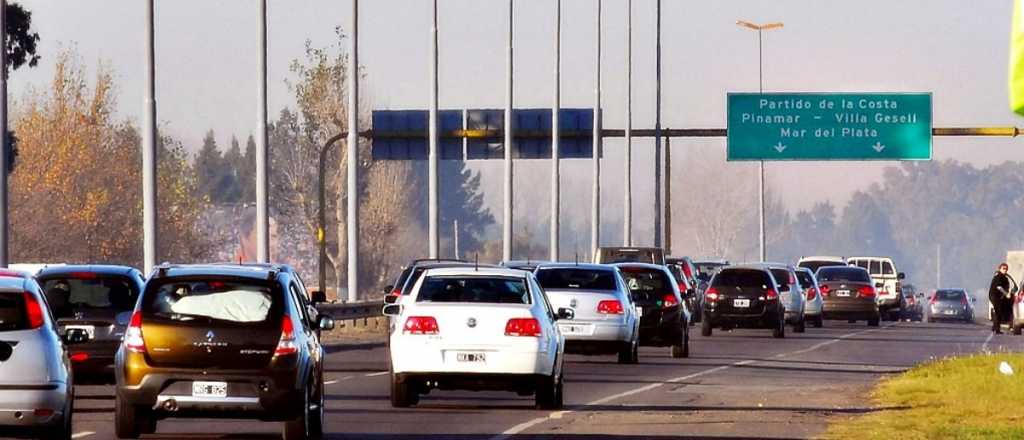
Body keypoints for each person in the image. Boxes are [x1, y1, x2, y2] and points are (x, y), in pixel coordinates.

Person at [988, 263, 1016, 333]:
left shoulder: (1004, 277)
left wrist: (1009, 292)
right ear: (999, 269)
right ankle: (997, 329)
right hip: (994, 296)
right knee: (998, 311)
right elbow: (999, 287)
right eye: (1003, 268)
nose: (1005, 270)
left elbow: (1008, 286)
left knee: (1000, 311)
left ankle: (995, 327)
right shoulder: (998, 276)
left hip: (999, 297)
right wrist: (1006, 294)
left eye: (1006, 269)